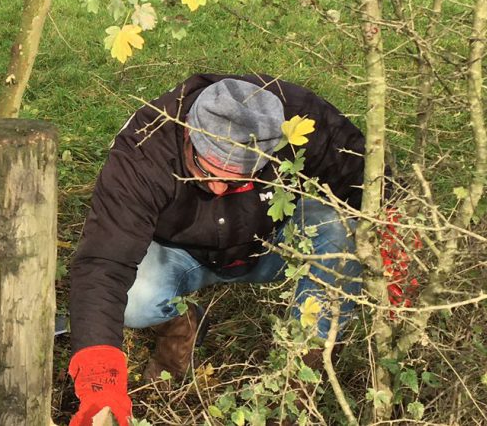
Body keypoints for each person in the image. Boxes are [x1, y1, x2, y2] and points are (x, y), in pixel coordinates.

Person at [67, 75, 371, 426]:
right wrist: (99, 382)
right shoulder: (145, 147)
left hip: (274, 245)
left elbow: (373, 185)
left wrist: (395, 261)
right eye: (205, 170)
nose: (216, 187)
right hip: (182, 254)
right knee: (135, 298)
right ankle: (183, 325)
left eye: (236, 179)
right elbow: (104, 262)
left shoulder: (301, 122)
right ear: (187, 135)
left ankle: (297, 379)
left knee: (340, 228)